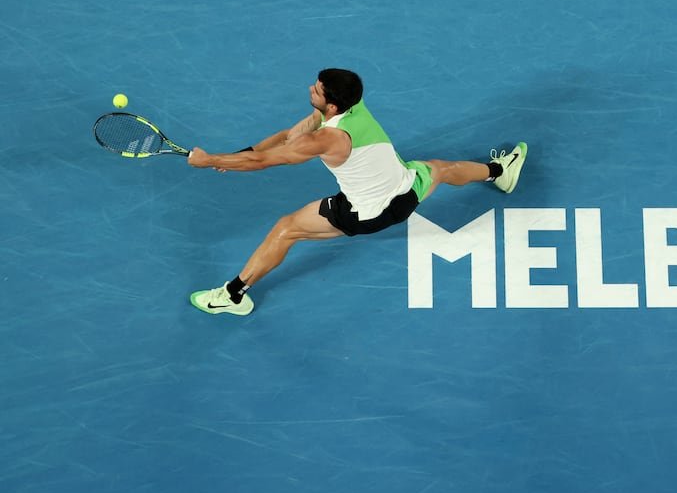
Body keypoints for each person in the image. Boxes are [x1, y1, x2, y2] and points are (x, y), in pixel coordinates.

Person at [186, 68, 527, 316]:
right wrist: (234, 156)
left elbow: (265, 161)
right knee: (441, 168)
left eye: (317, 90)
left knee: (286, 228)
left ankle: (232, 296)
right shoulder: (351, 106)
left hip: (365, 213)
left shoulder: (328, 139)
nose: (310, 89)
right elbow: (288, 137)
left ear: (332, 107)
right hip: (407, 189)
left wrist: (211, 160)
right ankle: (500, 173)